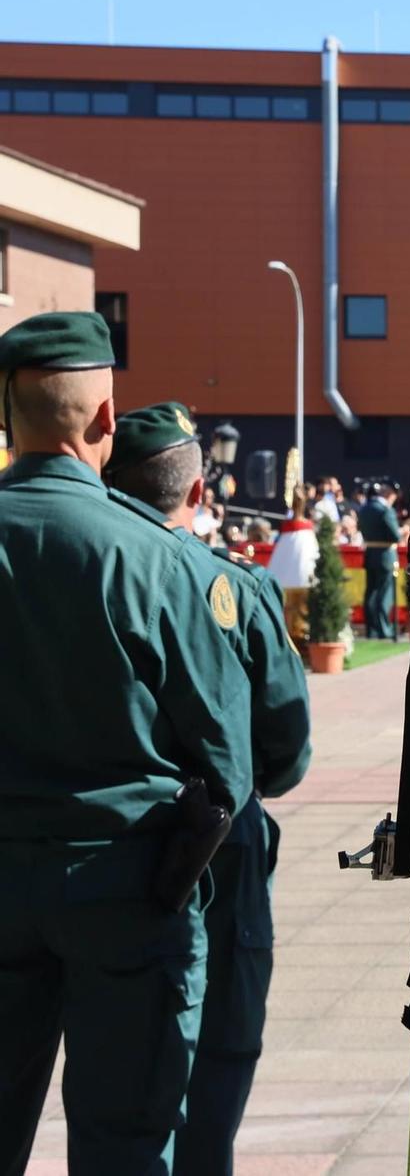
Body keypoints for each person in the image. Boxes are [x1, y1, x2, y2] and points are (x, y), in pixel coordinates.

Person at [0, 312, 254, 1175]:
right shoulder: (153, 557)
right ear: (106, 421)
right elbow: (228, 764)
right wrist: (167, 876)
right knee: (127, 1148)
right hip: (124, 889)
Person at [103, 402, 313, 1174]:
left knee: (117, 1073)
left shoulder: (87, 574)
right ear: (197, 492)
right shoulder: (235, 587)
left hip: (110, 854)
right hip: (221, 851)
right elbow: (287, 753)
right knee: (219, 1051)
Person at [355, 480, 401, 638]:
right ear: (389, 494)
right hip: (385, 555)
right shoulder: (385, 510)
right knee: (384, 594)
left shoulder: (364, 509)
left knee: (371, 594)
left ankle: (372, 630)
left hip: (370, 554)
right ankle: (384, 630)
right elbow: (395, 536)